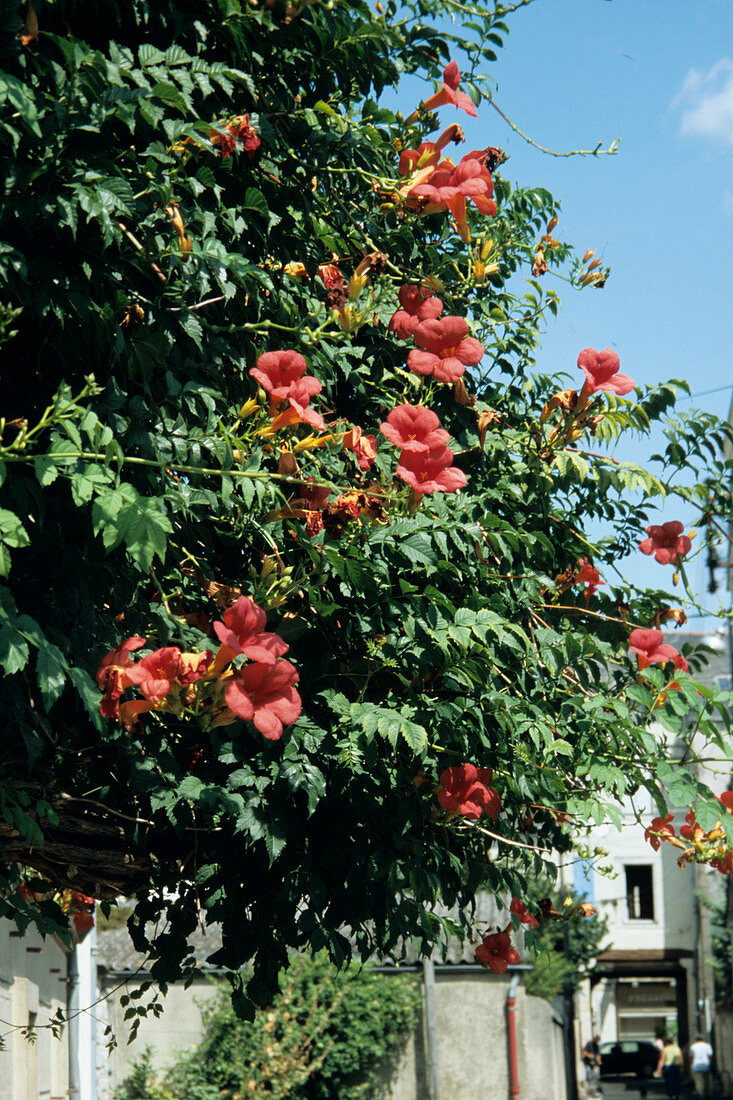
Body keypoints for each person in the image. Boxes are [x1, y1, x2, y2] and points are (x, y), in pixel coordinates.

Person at [656, 1034, 683, 1100]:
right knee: (676, 1080)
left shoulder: (665, 1049)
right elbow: (680, 1058)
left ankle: (671, 1095)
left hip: (668, 1067)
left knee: (669, 1081)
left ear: (666, 1042)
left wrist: (658, 1069)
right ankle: (677, 1094)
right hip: (676, 1066)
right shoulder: (677, 1049)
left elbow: (662, 1060)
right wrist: (682, 1067)